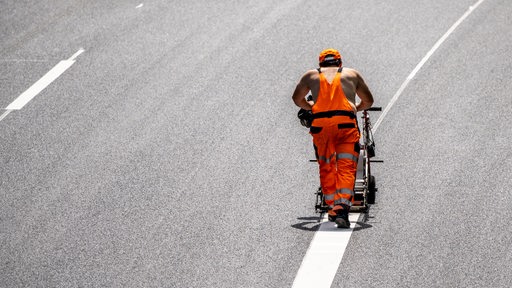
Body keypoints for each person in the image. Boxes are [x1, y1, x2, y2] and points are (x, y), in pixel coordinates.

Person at [292, 48, 374, 228]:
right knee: (346, 165)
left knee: (326, 164)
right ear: (340, 63)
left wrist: (312, 106)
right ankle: (342, 207)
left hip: (321, 127)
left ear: (320, 64)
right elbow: (368, 101)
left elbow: (297, 99)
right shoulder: (351, 74)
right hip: (346, 124)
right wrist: (353, 108)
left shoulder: (310, 76)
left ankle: (331, 207)